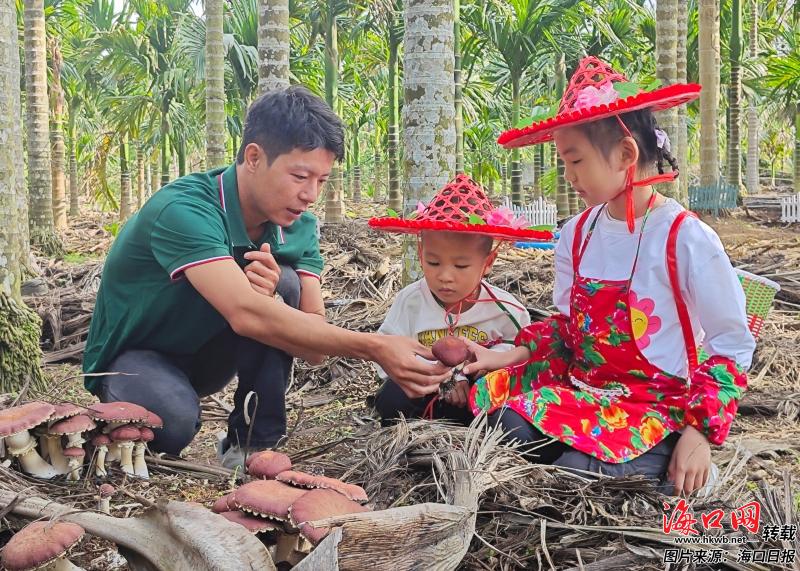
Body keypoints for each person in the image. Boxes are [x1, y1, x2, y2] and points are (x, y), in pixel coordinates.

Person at [82, 86, 452, 467]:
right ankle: (129, 411)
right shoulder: (185, 209)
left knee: (284, 281)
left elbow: (314, 350)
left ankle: (252, 445)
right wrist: (376, 346)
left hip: (208, 357)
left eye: (322, 181)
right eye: (300, 176)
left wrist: (274, 298)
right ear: (254, 157)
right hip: (134, 358)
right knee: (172, 422)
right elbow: (246, 314)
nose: (310, 195)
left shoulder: (299, 228)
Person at [465, 57, 755, 496]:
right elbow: (567, 328)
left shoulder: (685, 239)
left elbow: (731, 343)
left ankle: (660, 458)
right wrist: (507, 356)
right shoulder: (577, 234)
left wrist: (699, 432)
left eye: (576, 160)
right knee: (502, 422)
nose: (568, 175)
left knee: (576, 473)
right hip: (583, 395)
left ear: (625, 154)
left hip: (656, 409)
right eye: (564, 162)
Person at [368, 175, 548, 425]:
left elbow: (521, 355)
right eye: (433, 262)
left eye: (461, 266)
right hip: (426, 394)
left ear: (488, 263)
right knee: (392, 396)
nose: (445, 276)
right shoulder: (411, 302)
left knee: (508, 405)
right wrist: (444, 377)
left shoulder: (506, 310)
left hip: (479, 400)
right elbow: (386, 354)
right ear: (420, 254)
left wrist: (481, 367)